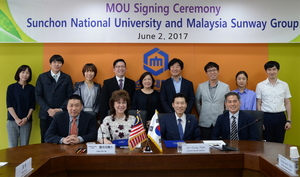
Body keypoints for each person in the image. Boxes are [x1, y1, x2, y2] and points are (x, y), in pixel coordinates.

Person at [35, 55, 73, 143]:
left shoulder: (67, 78)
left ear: (62, 64)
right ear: (50, 64)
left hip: (61, 114)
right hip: (45, 114)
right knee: (45, 139)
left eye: (59, 62)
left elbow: (69, 96)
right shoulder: (42, 77)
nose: (57, 64)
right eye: (54, 62)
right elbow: (38, 96)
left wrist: (59, 109)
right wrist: (48, 110)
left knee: (61, 139)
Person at [256, 61, 292, 143]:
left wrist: (289, 120)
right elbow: (259, 103)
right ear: (266, 71)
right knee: (267, 142)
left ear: (278, 70)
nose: (272, 72)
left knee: (279, 142)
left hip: (280, 116)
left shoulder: (284, 85)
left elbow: (287, 103)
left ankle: (278, 156)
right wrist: (261, 121)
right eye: (269, 70)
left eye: (274, 69)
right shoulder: (260, 85)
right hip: (266, 116)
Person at [195, 62, 230, 140]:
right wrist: (201, 112)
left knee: (220, 145)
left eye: (214, 70)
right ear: (206, 73)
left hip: (220, 121)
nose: (212, 72)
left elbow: (228, 103)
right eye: (209, 71)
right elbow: (197, 101)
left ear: (218, 71)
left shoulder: (225, 87)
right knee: (205, 144)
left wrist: (224, 115)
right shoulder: (201, 86)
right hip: (205, 121)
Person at [6, 65, 35, 147]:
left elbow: (32, 106)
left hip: (26, 121)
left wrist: (26, 118)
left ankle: (23, 161)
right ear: (18, 73)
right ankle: (13, 160)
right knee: (12, 146)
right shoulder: (11, 87)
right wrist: (16, 118)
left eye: (27, 73)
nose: (25, 75)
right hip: (12, 120)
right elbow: (9, 105)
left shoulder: (32, 89)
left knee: (24, 146)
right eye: (23, 72)